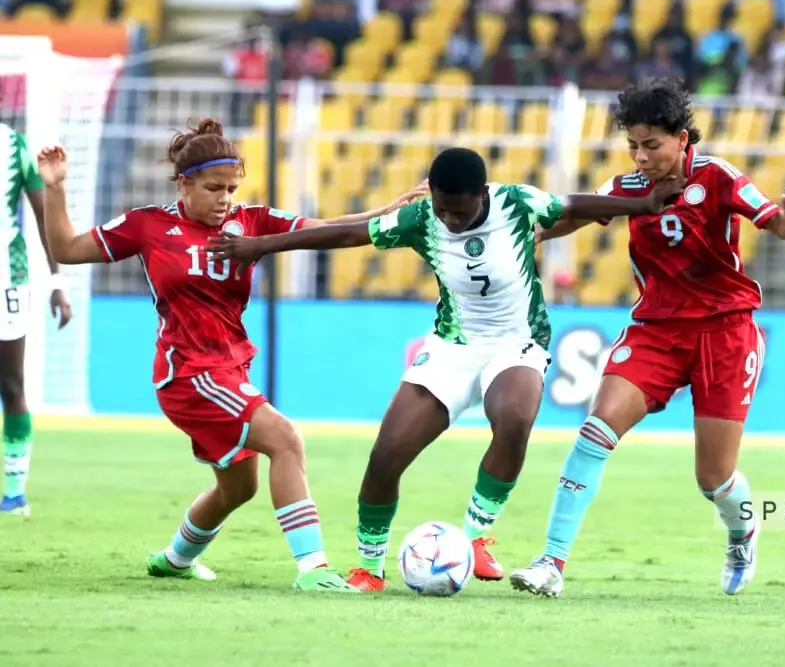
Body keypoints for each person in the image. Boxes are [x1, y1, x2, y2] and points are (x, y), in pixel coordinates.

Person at [207, 146, 683, 592]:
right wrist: (263, 246)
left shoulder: (517, 203)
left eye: (461, 210)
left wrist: (644, 204)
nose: (451, 220)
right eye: (443, 208)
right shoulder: (421, 219)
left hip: (517, 343)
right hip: (452, 347)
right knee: (385, 457)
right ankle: (369, 568)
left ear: (483, 194)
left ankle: (475, 537)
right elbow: (348, 235)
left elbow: (575, 204)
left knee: (513, 418)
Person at [36, 118, 427, 592]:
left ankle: (176, 559)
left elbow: (329, 230)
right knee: (286, 440)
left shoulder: (252, 222)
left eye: (232, 189)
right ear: (184, 183)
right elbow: (67, 248)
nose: (225, 199)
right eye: (214, 188)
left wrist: (390, 210)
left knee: (240, 487)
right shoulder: (148, 225)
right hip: (189, 372)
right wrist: (54, 189)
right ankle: (314, 570)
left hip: (228, 368)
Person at [508, 76, 785, 598]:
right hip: (656, 330)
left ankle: (742, 531)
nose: (641, 157)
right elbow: (570, 217)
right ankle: (550, 563)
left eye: (652, 145)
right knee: (594, 432)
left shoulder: (718, 178)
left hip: (726, 332)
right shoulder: (626, 189)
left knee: (713, 479)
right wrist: (526, 232)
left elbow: (774, 223)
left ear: (682, 140)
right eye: (633, 146)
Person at [0, 121, 72, 517]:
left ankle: (14, 495)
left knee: (10, 385)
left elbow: (44, 217)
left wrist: (57, 281)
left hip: (6, 279)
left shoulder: (14, 146)